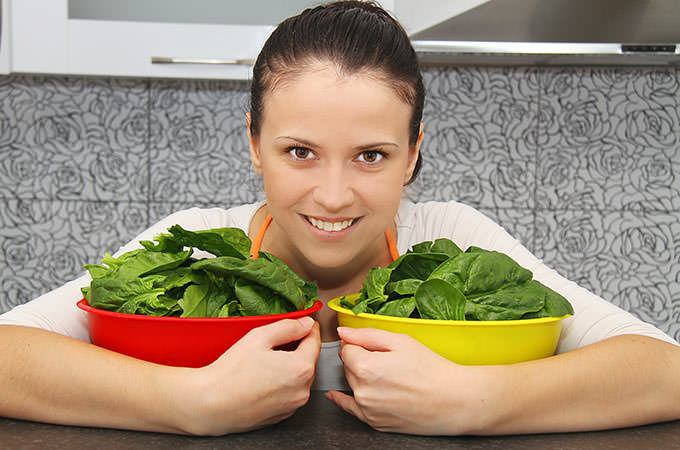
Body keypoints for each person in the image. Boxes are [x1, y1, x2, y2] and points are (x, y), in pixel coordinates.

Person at [1, 0, 679, 437]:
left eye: (371, 156)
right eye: (300, 151)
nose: (333, 195)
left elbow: (663, 370)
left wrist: (477, 401)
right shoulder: (198, 251)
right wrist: (190, 401)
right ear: (252, 144)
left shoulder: (452, 241)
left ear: (413, 155)